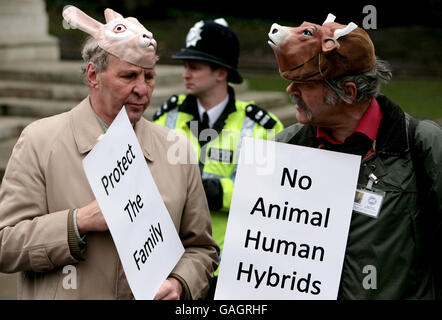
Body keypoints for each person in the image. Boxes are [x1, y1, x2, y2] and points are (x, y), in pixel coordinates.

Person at [0, 6, 219, 300]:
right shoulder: (40, 141)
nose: (143, 90)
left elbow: (202, 249)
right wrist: (78, 222)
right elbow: (6, 244)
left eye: (149, 77)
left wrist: (180, 282)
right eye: (129, 76)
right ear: (93, 75)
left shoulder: (176, 149)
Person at [269, 14, 441, 299]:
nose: (291, 90)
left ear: (348, 93)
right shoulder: (286, 148)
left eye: (307, 84)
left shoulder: (422, 144)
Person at [153, 19, 284, 274]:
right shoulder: (166, 115)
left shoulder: (262, 127)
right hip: (169, 259)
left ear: (221, 73)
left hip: (231, 263)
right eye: (185, 66)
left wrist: (210, 191)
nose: (185, 74)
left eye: (194, 66)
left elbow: (268, 196)